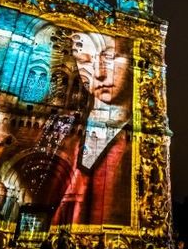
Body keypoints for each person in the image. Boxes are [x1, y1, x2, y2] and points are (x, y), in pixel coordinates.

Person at [55, 32, 134, 225]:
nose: (98, 73)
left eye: (109, 57)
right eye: (84, 61)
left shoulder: (136, 137)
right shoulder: (63, 131)